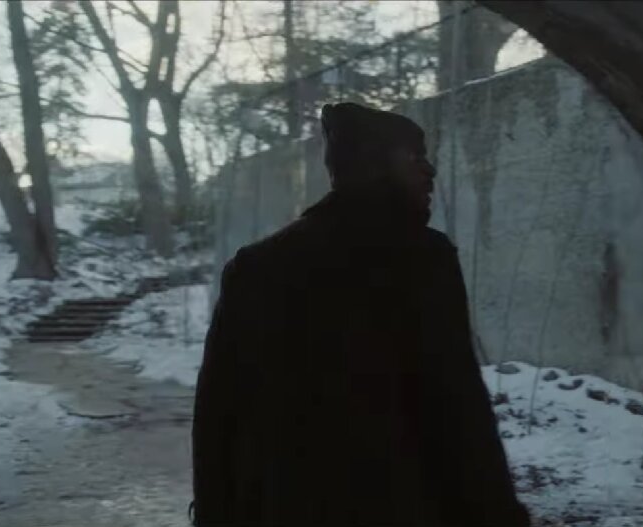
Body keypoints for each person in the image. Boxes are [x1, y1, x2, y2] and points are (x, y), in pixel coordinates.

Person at [191, 102, 529, 527]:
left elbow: (218, 414)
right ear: (373, 165)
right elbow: (458, 408)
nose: (429, 171)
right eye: (414, 157)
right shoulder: (421, 259)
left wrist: (213, 513)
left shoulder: (256, 266)